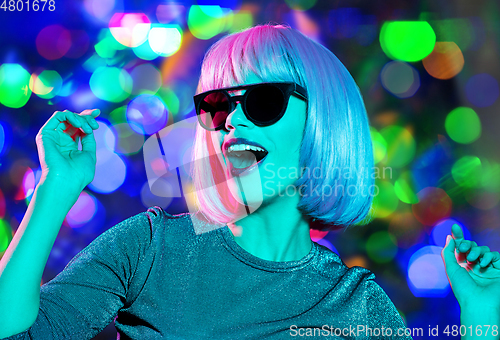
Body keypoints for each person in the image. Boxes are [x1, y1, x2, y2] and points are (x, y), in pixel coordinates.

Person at [0, 23, 499, 340]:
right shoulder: (151, 247)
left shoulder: (359, 305)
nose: (233, 121)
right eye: (217, 105)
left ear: (322, 123)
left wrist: (482, 316)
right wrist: (55, 189)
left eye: (263, 101)